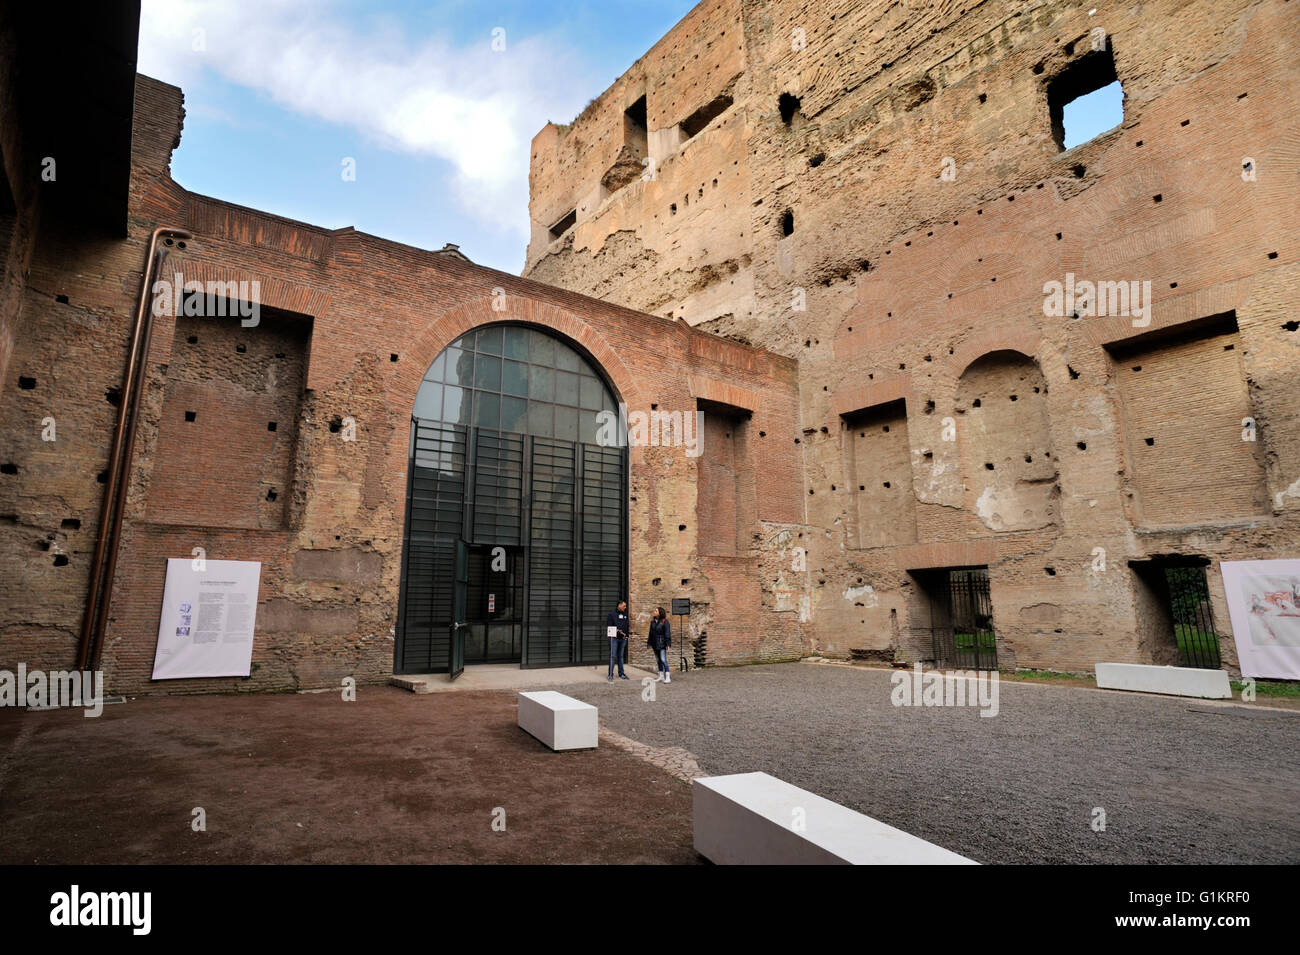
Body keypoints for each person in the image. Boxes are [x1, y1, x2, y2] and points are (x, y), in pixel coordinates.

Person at [606, 600, 630, 681]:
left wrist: (627, 636)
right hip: (614, 639)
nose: (625, 607)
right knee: (613, 656)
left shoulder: (625, 615)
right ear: (619, 606)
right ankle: (610, 674)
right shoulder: (611, 615)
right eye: (624, 606)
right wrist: (617, 631)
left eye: (625, 606)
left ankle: (621, 673)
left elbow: (627, 626)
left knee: (621, 657)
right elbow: (609, 627)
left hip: (623, 639)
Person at [648, 606, 672, 683]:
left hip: (662, 643)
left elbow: (667, 633)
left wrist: (668, 644)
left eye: (656, 611)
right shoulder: (653, 622)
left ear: (660, 613)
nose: (654, 612)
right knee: (658, 660)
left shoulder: (665, 621)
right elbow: (650, 633)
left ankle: (668, 677)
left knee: (663, 659)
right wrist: (649, 643)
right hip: (655, 643)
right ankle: (661, 676)